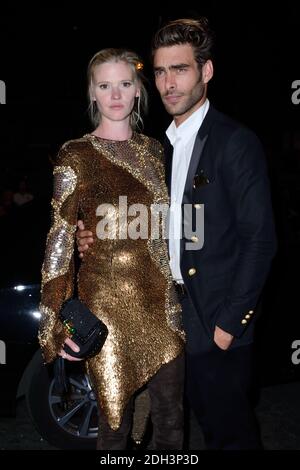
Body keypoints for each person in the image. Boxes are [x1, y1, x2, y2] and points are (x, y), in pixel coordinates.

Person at [77, 19, 278, 449]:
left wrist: (228, 325)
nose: (168, 83)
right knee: (172, 428)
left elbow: (260, 241)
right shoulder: (158, 149)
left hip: (215, 323)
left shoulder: (235, 142)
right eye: (161, 72)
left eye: (180, 70)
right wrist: (91, 236)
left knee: (230, 436)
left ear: (206, 72)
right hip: (166, 319)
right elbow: (140, 220)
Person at [38, 47, 185, 450]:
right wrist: (56, 324)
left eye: (124, 84)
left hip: (162, 304)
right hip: (107, 307)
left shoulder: (156, 151)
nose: (116, 94)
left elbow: (169, 225)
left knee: (171, 419)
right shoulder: (76, 154)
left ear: (138, 90)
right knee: (114, 425)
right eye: (105, 85)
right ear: (92, 93)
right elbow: (59, 239)